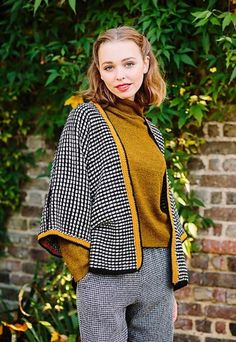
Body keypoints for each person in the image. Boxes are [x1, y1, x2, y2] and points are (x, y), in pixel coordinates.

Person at [38, 26, 188, 342]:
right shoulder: (86, 118)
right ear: (100, 73)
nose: (120, 74)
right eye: (109, 67)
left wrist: (169, 284)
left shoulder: (152, 132)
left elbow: (164, 205)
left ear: (146, 63)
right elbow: (67, 191)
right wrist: (85, 275)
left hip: (157, 274)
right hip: (105, 272)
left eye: (129, 63)